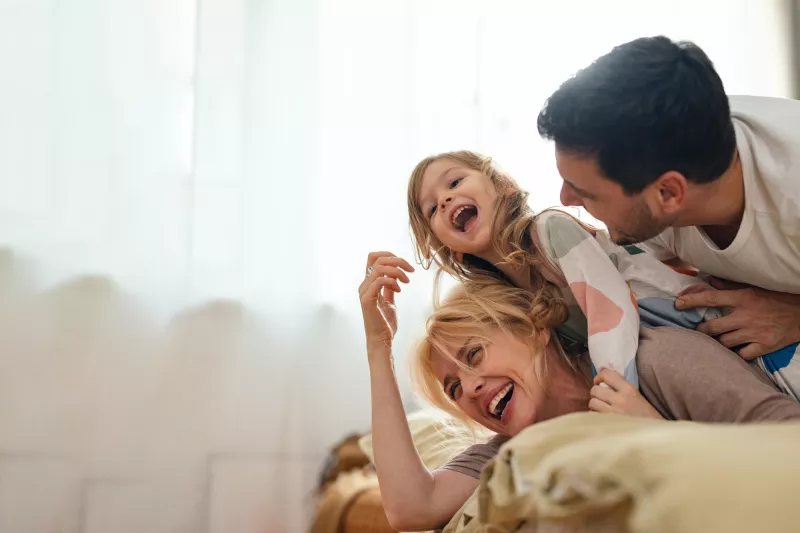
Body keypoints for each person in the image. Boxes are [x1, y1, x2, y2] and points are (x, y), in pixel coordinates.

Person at [358, 251, 800, 531]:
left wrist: (658, 434)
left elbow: (788, 438)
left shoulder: (656, 360)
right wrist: (379, 348)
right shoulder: (513, 451)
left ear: (533, 328)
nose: (470, 388)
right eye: (453, 388)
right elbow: (410, 509)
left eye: (474, 356)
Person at [407, 150, 799, 395]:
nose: (445, 199)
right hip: (695, 348)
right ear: (444, 243)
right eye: (431, 209)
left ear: (502, 186)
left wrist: (613, 392)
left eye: (455, 182)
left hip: (712, 320)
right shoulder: (510, 295)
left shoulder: (550, 231)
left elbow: (610, 310)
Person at [536, 36, 800, 379]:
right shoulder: (672, 139)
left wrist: (794, 315)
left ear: (668, 193)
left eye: (586, 193)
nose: (565, 200)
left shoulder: (789, 190)